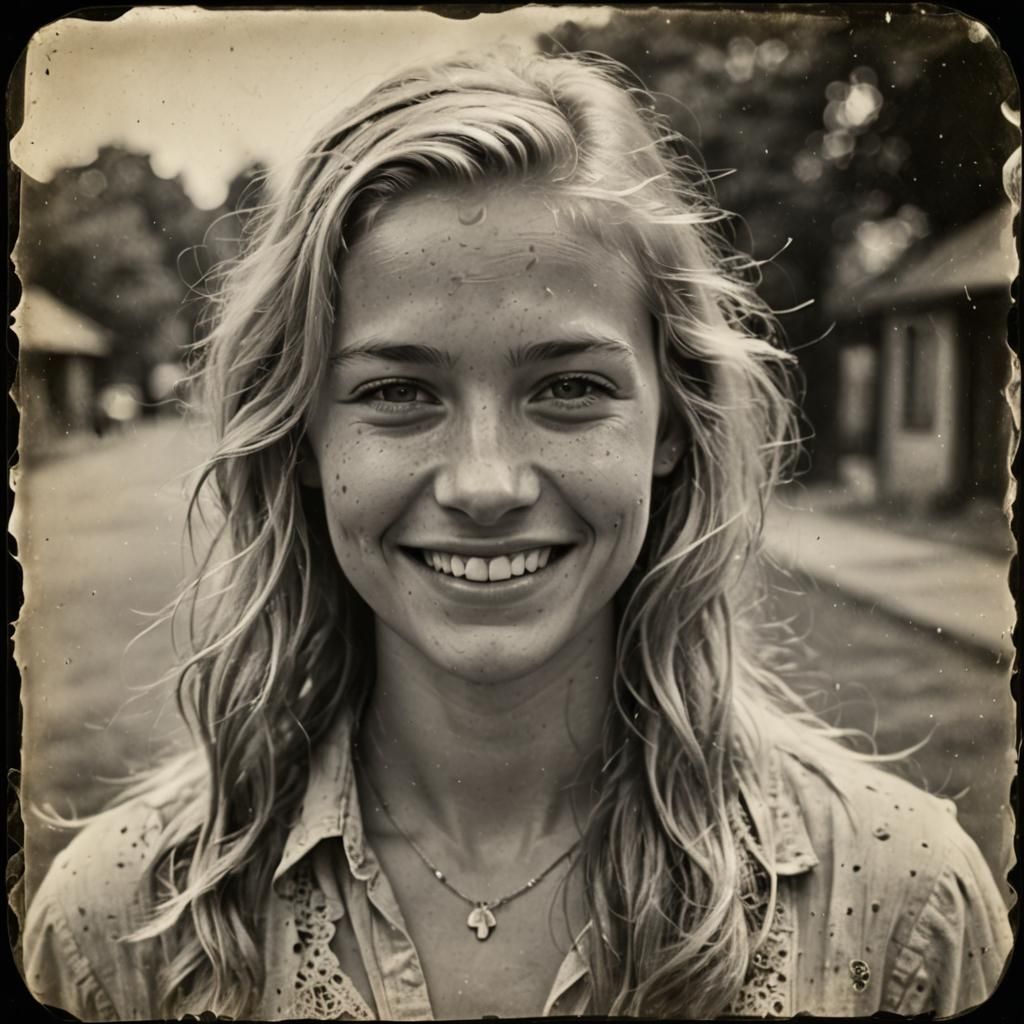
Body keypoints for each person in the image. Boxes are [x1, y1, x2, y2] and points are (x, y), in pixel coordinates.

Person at [22, 49, 1011, 1021]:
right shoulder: (119, 928)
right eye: (398, 391)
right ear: (305, 435)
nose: (485, 484)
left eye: (569, 387)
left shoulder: (900, 911)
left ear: (671, 423)